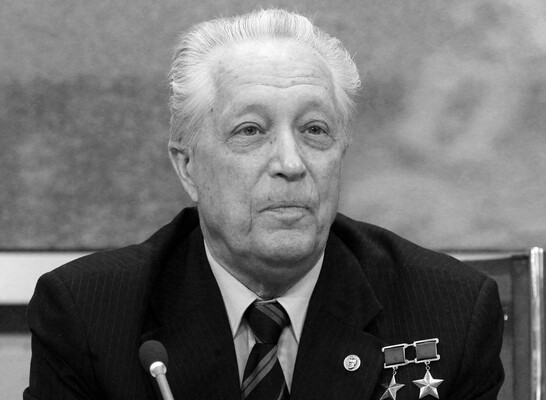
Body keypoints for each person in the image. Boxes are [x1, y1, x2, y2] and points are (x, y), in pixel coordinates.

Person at [24, 9, 504, 400]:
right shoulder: (89, 315)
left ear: (341, 154)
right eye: (250, 131)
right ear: (188, 167)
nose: (291, 164)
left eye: (314, 130)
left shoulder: (450, 310)